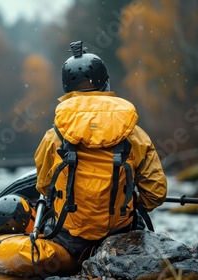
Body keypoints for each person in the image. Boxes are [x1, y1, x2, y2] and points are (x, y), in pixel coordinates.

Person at [34, 41, 167, 267]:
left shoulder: (54, 135)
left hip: (68, 238)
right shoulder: (134, 134)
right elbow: (156, 192)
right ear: (106, 83)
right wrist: (128, 201)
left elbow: (45, 185)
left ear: (67, 89)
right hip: (120, 234)